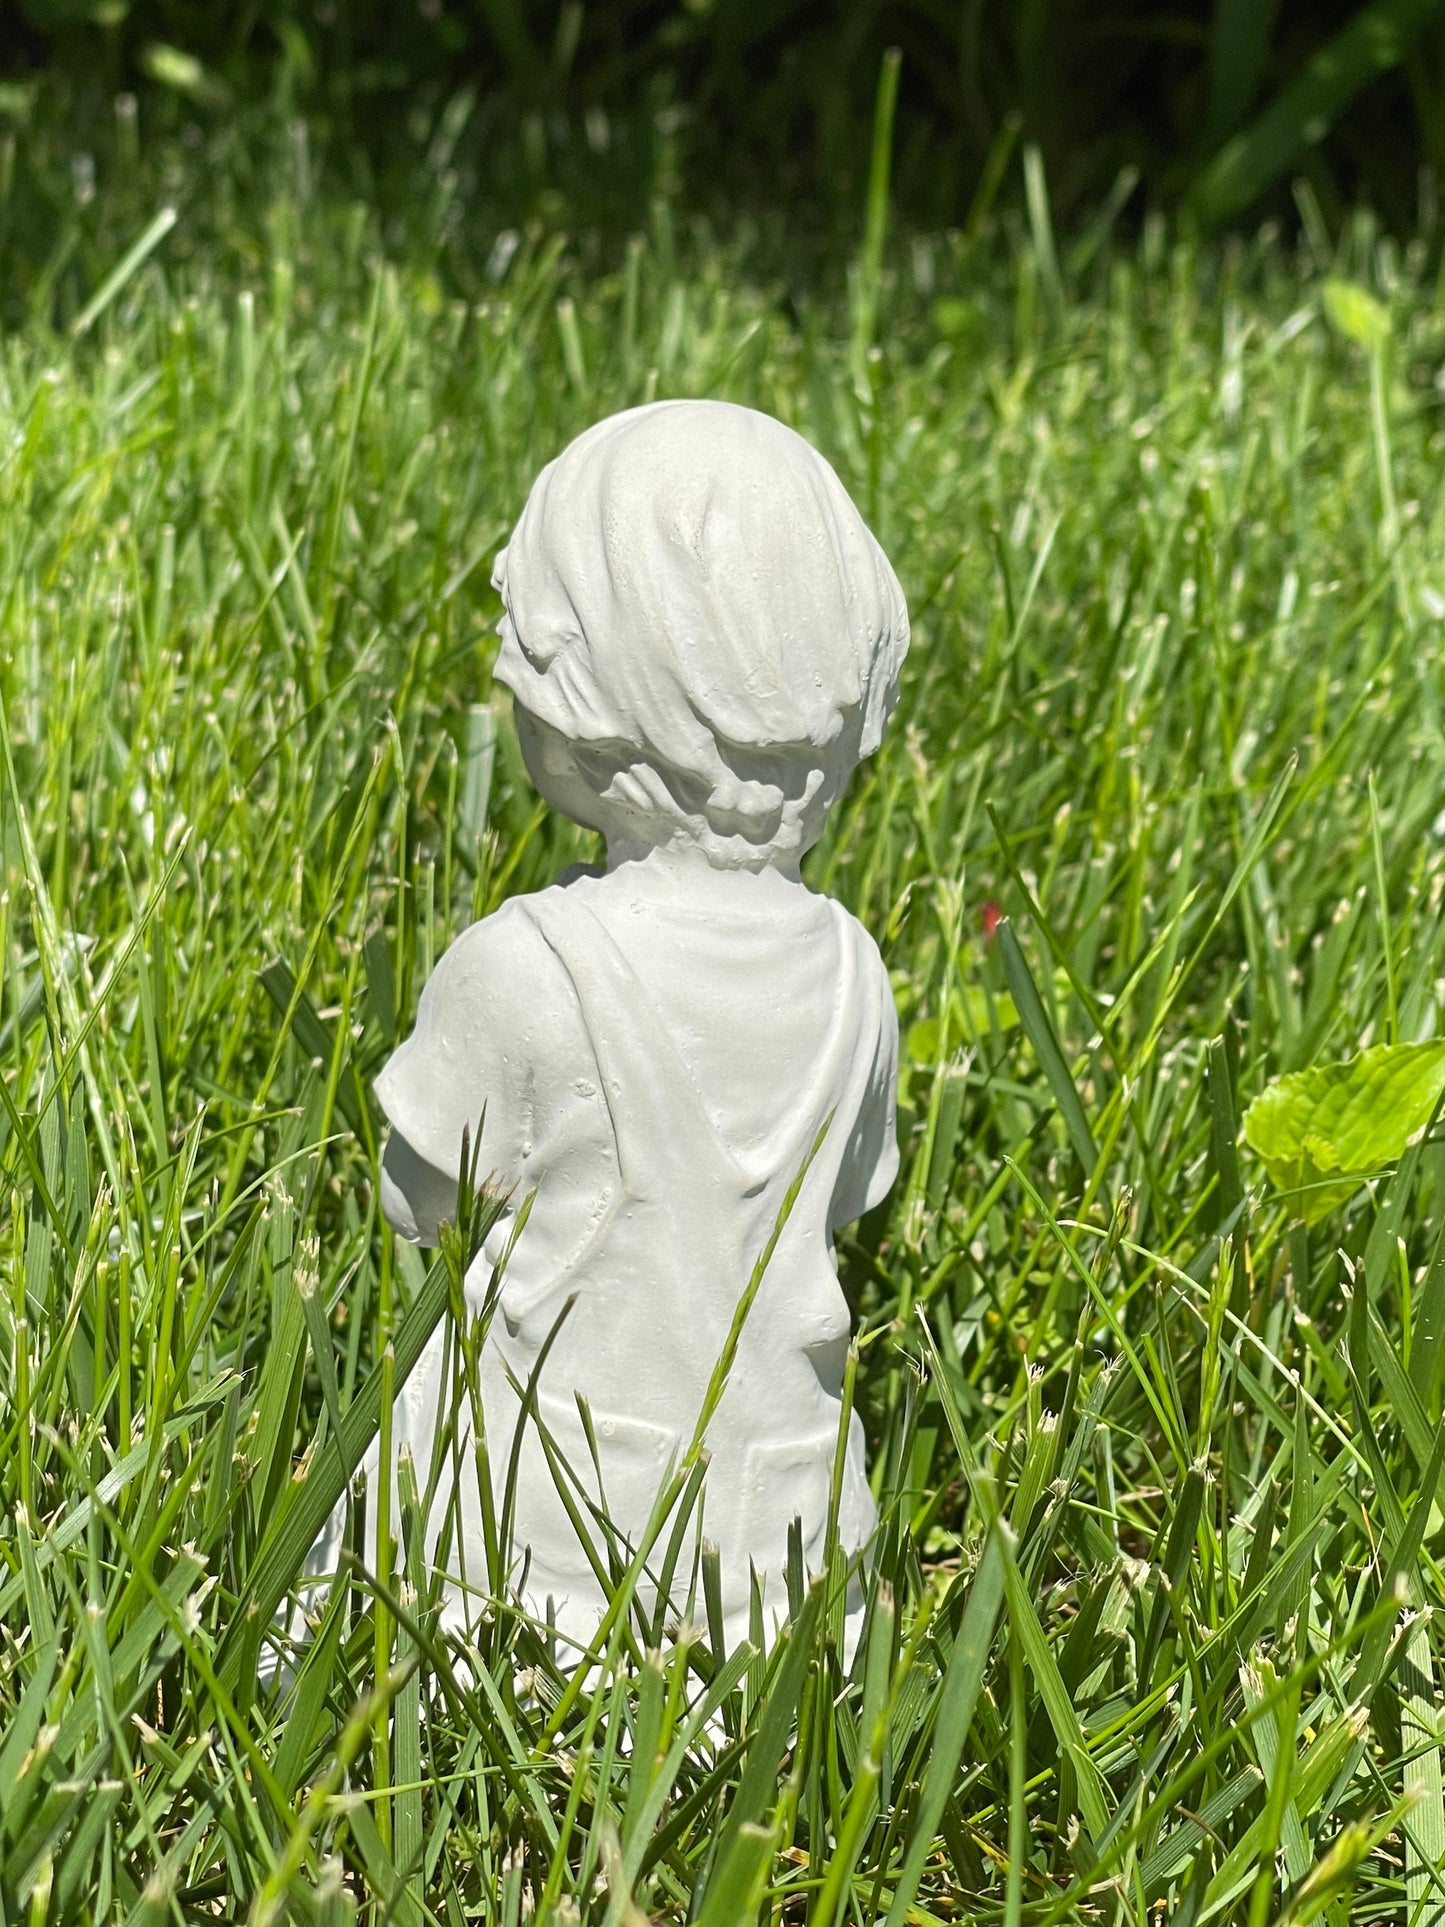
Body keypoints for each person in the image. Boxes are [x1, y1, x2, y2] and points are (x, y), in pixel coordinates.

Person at [372, 399, 908, 1661]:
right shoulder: (853, 974)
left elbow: (418, 1202)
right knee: (775, 1665)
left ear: (571, 701)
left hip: (537, 1517)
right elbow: (848, 1199)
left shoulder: (524, 967)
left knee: (408, 1543)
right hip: (784, 1518)